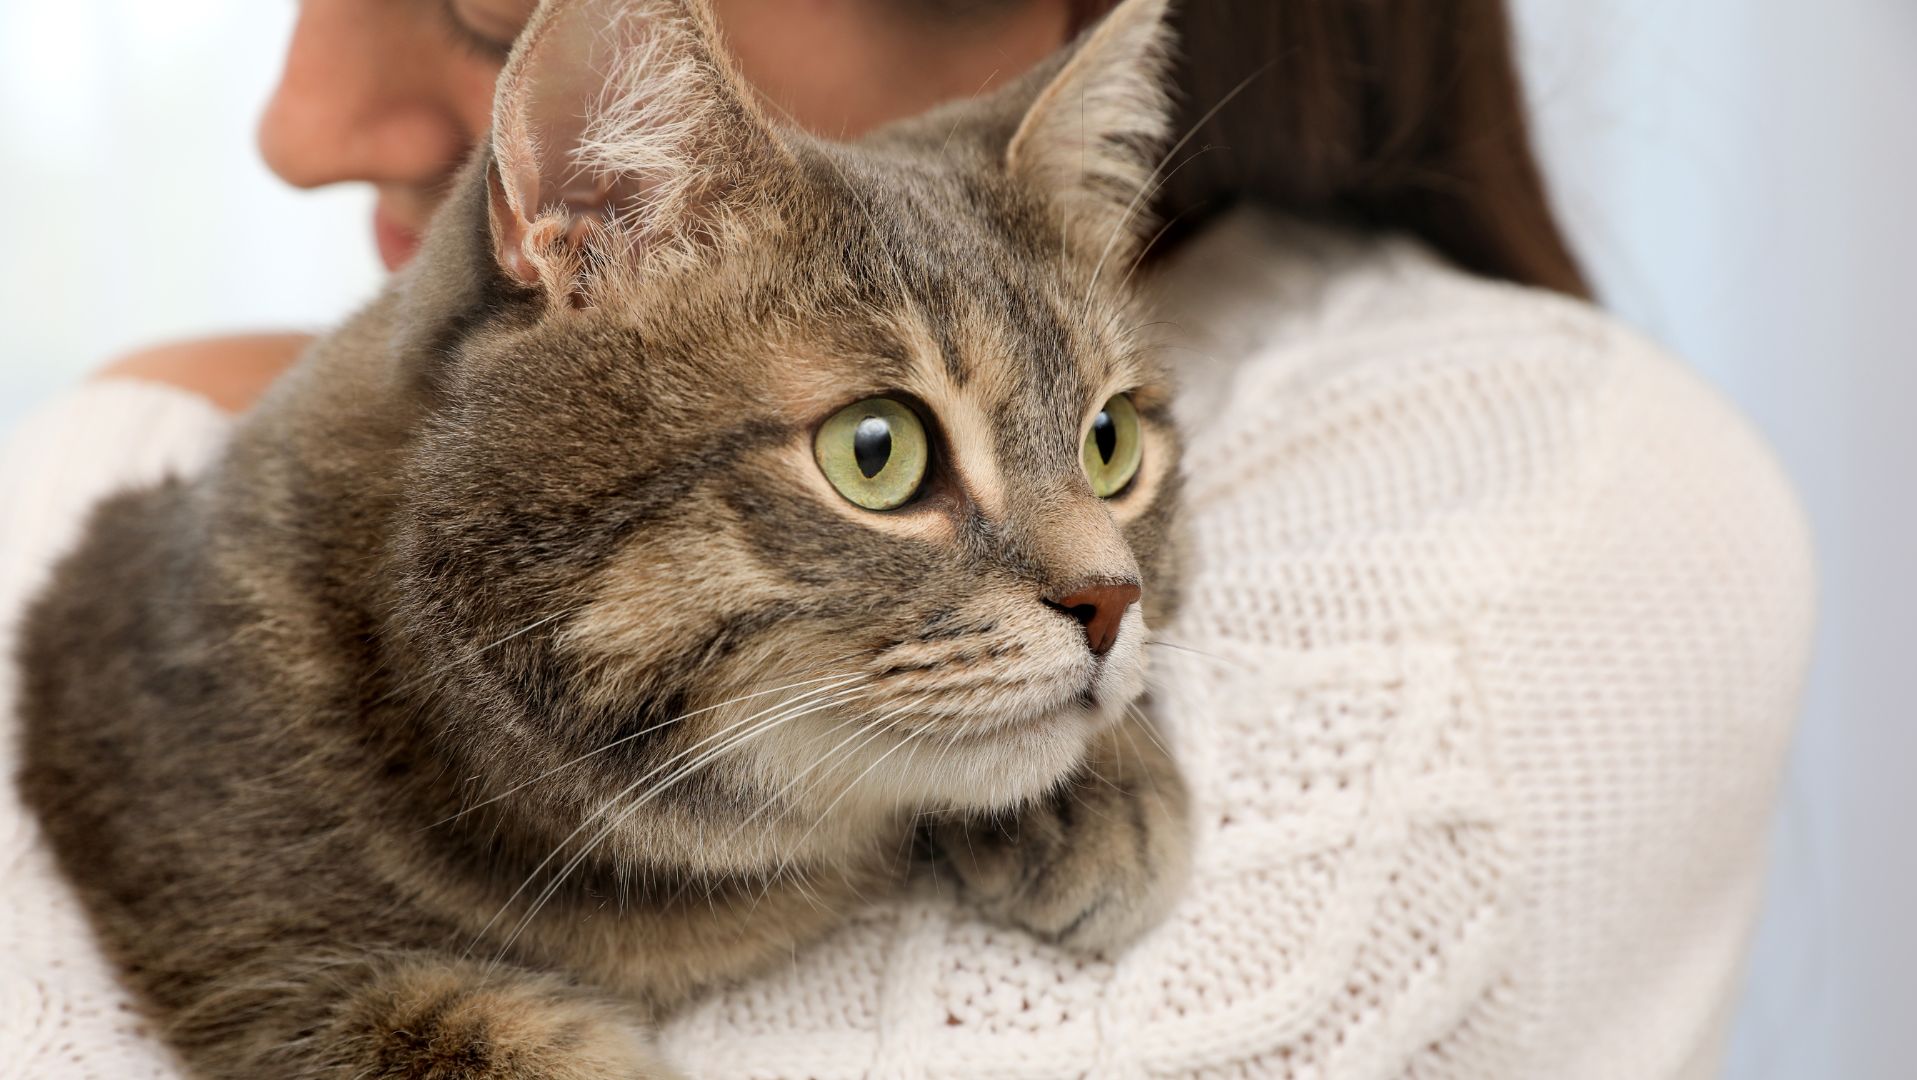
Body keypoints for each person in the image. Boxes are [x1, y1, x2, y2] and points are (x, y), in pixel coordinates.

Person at [0, 1, 1815, 1077]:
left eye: (490, 5)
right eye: (884, 449)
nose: (298, 125)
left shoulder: (1539, 487)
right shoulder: (333, 479)